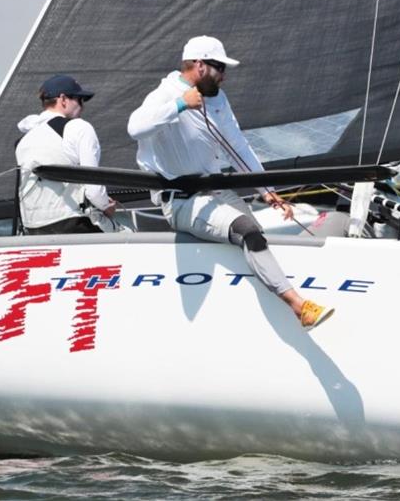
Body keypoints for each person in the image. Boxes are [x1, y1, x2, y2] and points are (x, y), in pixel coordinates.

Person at [127, 36, 333, 330]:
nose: (224, 75)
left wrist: (269, 193)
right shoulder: (165, 93)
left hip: (218, 191)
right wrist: (179, 105)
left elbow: (238, 146)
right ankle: (300, 309)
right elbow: (134, 127)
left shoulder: (218, 99)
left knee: (258, 235)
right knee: (246, 230)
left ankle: (271, 305)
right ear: (199, 65)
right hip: (183, 199)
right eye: (219, 67)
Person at [15, 74, 117, 234]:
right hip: (74, 223)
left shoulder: (24, 139)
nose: (83, 107)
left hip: (32, 228)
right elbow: (94, 188)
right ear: (63, 99)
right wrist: (106, 207)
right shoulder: (79, 128)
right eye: (79, 100)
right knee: (131, 237)